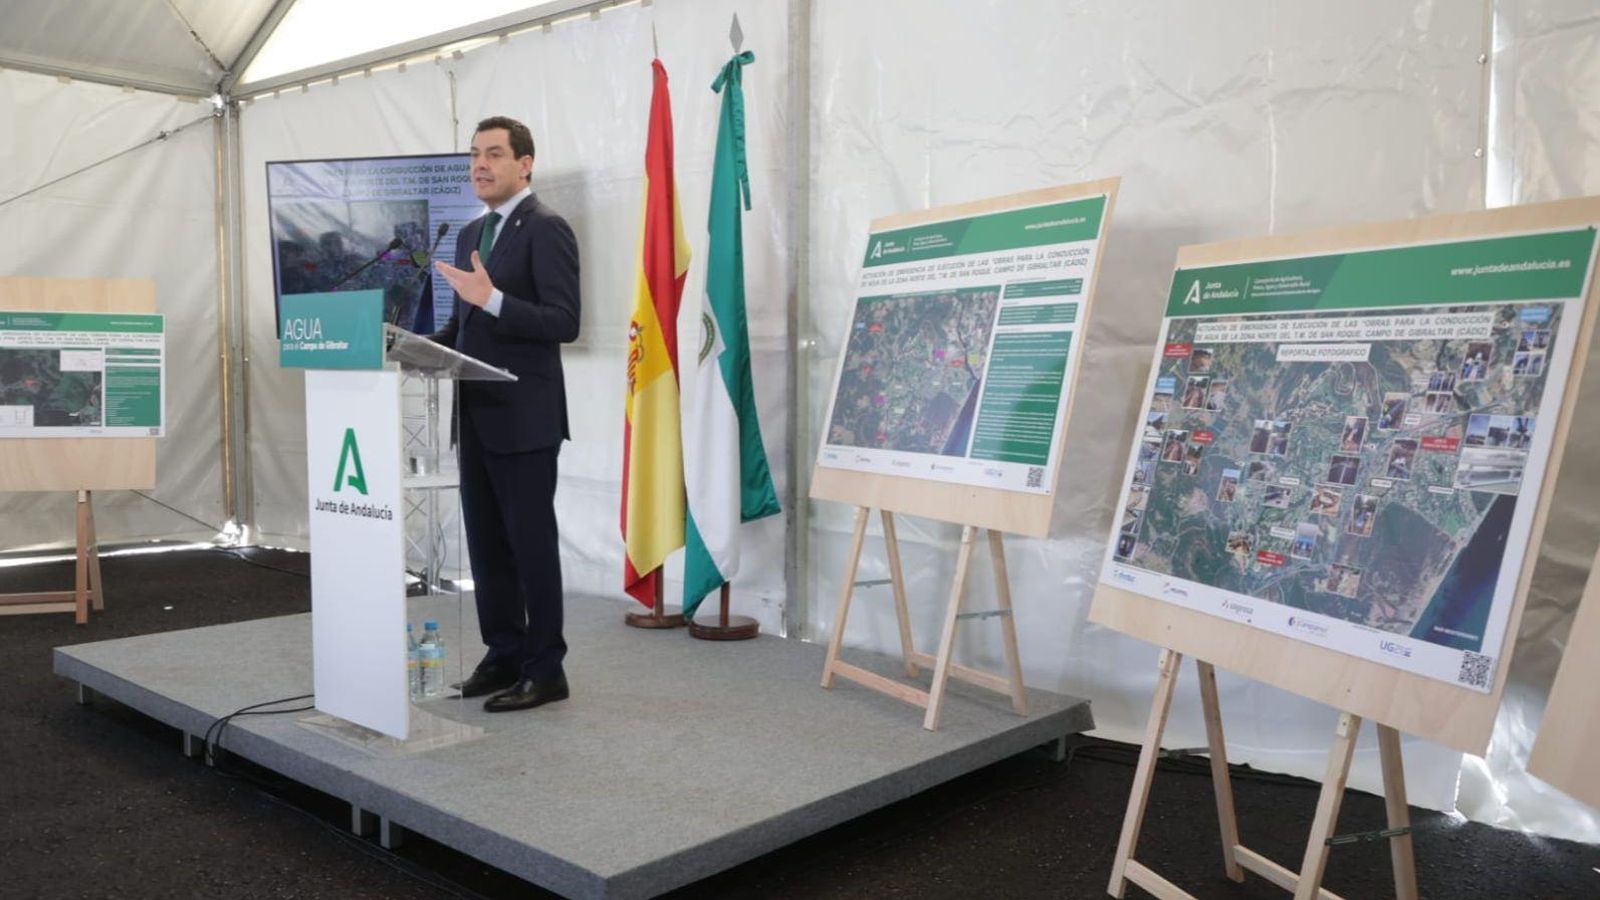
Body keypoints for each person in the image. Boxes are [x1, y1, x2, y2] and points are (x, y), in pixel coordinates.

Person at [431, 116, 580, 713]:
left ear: (526, 163)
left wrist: (490, 299)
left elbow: (563, 322)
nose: (480, 166)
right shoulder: (472, 230)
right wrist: (411, 346)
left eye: (494, 154)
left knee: (529, 546)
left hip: (525, 419)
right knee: (487, 546)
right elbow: (460, 328)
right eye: (474, 156)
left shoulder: (547, 229)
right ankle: (503, 655)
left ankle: (546, 669)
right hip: (475, 415)